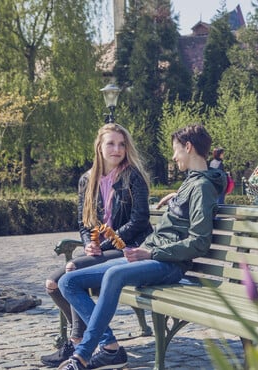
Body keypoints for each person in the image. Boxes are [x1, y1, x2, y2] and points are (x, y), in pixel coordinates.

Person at [57, 124, 226, 370]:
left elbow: (199, 243)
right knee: (67, 282)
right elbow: (192, 199)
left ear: (188, 147)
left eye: (176, 150)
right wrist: (176, 197)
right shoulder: (193, 182)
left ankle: (82, 356)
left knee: (114, 274)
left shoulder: (201, 187)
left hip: (169, 264)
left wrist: (150, 252)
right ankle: (111, 348)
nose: (173, 156)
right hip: (151, 258)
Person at [40, 123, 152, 368]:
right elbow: (83, 222)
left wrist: (107, 238)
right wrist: (88, 244)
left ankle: (81, 341)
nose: (117, 149)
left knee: (71, 271)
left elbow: (140, 220)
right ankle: (87, 340)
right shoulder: (86, 180)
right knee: (52, 284)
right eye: (111, 143)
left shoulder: (133, 176)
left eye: (122, 144)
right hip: (101, 250)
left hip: (128, 248)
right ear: (99, 147)